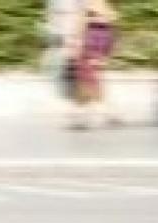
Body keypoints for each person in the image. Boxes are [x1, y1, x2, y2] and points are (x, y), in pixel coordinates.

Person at [68, 0, 119, 130]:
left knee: (90, 80)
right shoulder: (92, 6)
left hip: (95, 41)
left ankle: (94, 113)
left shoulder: (96, 5)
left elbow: (111, 19)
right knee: (88, 80)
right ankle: (101, 112)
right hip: (91, 43)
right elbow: (109, 19)